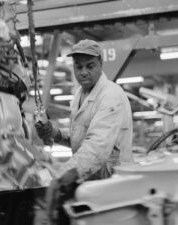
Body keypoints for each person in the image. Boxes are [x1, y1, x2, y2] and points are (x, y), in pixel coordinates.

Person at [35, 39, 133, 223]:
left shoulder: (111, 96)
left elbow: (97, 147)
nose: (83, 72)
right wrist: (54, 133)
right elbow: (81, 138)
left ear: (101, 65)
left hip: (113, 184)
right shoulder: (80, 95)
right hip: (93, 184)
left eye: (90, 66)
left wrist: (62, 175)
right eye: (78, 66)